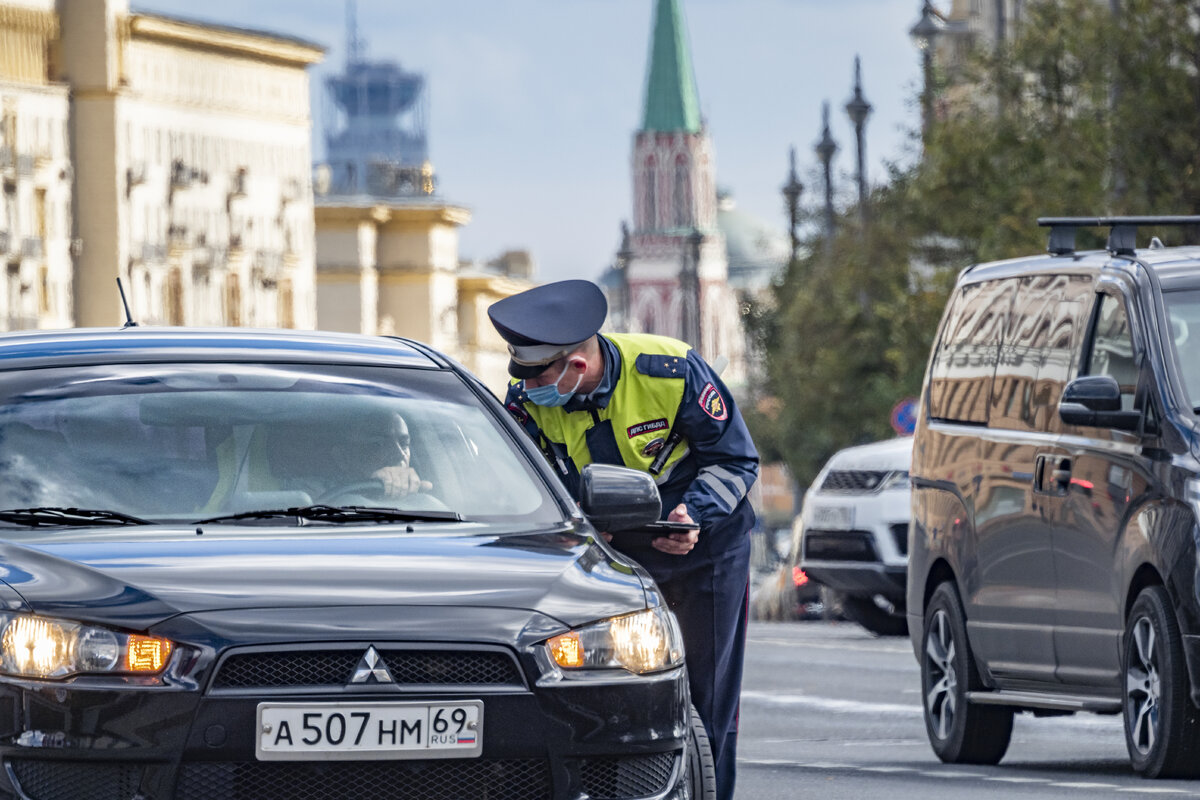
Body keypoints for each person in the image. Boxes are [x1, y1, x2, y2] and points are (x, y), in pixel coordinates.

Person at [488, 279, 758, 800]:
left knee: (707, 699)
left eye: (539, 374)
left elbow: (735, 459)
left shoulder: (671, 370)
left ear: (578, 367)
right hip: (611, 557)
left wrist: (693, 514)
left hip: (707, 549)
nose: (528, 385)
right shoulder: (528, 398)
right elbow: (528, 480)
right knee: (618, 698)